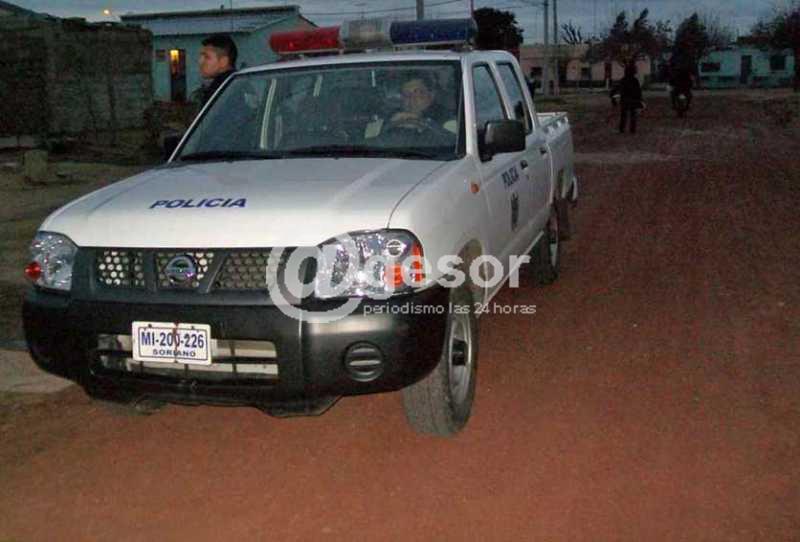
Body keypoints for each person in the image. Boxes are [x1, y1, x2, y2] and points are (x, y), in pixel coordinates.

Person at [198, 34, 238, 106]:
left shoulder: (221, 89)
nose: (200, 61)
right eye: (201, 56)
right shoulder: (238, 82)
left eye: (207, 57)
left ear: (223, 62)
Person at [610, 64, 644, 134]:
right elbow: (638, 91)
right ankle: (632, 130)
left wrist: (612, 96)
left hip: (625, 100)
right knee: (632, 115)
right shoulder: (635, 80)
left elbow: (617, 88)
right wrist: (640, 100)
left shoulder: (624, 80)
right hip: (633, 100)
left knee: (624, 115)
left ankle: (622, 129)